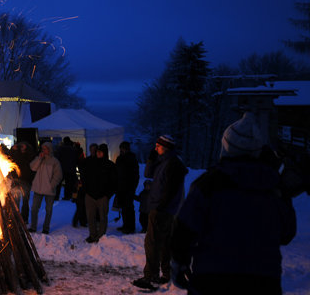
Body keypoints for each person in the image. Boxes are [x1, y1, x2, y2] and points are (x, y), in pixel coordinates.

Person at [169, 113, 296, 294]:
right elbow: (287, 234)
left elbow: (184, 231)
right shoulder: (275, 187)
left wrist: (179, 264)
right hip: (263, 282)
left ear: (226, 146)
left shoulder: (208, 185)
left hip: (212, 280)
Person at [132, 134, 188, 290]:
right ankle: (165, 274)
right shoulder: (164, 162)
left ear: (165, 148)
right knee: (162, 243)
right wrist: (151, 160)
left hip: (162, 210)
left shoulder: (172, 164)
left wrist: (161, 206)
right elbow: (148, 174)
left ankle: (150, 277)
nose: (155, 149)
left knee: (152, 243)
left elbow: (170, 189)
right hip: (161, 208)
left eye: (158, 146)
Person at [81, 143, 117, 243]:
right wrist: (86, 190)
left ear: (104, 153)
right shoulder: (91, 163)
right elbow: (84, 176)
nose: (98, 153)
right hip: (90, 195)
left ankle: (100, 236)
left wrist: (107, 195)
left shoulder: (110, 165)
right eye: (97, 152)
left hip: (102, 196)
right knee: (90, 217)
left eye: (100, 152)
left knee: (102, 217)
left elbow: (114, 182)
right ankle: (92, 235)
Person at [28, 142, 62, 234]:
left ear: (49, 149)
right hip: (38, 188)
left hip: (49, 190)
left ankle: (46, 228)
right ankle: (33, 227)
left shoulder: (55, 161)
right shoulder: (39, 159)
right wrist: (39, 158)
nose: (43, 150)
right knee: (34, 208)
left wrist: (51, 185)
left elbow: (58, 175)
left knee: (48, 210)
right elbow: (33, 168)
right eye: (42, 148)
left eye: (45, 149)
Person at [115, 141, 140, 234]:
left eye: (123, 148)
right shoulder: (120, 158)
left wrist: (133, 187)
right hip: (121, 187)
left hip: (129, 187)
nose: (122, 150)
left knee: (128, 207)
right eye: (121, 148)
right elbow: (117, 172)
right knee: (124, 207)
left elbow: (135, 175)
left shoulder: (131, 159)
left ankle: (130, 226)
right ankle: (126, 225)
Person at [11, 141, 36, 224]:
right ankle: (16, 217)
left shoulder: (29, 156)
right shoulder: (17, 154)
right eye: (20, 146)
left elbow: (25, 162)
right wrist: (13, 150)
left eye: (23, 146)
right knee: (16, 200)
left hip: (26, 181)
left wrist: (17, 151)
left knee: (25, 201)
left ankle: (24, 218)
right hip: (16, 180)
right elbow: (10, 158)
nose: (21, 148)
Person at [72, 143, 95, 228]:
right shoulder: (83, 161)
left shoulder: (82, 161)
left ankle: (81, 220)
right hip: (81, 185)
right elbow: (78, 173)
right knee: (81, 204)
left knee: (81, 204)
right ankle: (80, 220)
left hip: (81, 185)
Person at [55, 137, 78, 202]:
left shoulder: (60, 148)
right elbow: (75, 159)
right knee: (68, 184)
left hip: (61, 168)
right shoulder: (73, 149)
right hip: (70, 169)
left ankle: (56, 196)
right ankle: (67, 196)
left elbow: (57, 158)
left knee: (58, 183)